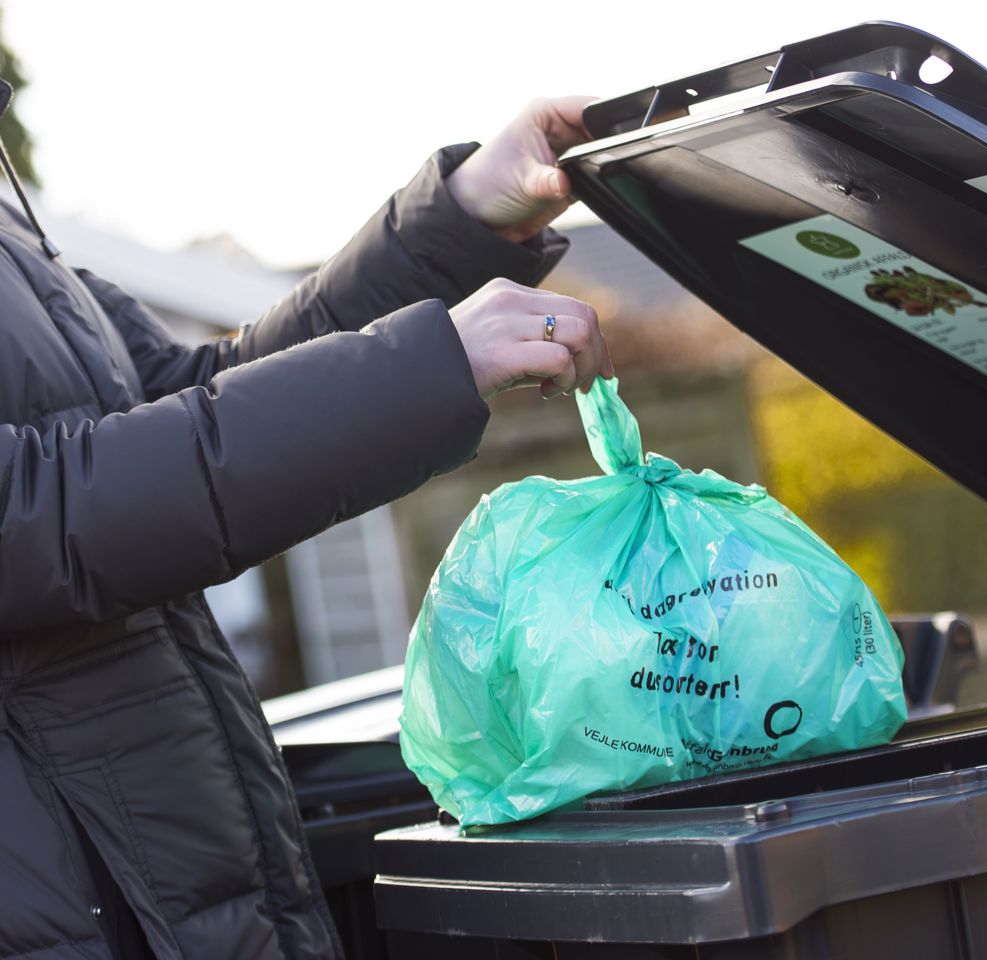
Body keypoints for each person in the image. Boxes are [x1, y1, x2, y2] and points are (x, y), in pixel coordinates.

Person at [0, 81, 610, 960]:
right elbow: (34, 510)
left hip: (186, 874)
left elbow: (186, 399)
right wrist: (419, 369)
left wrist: (464, 220)